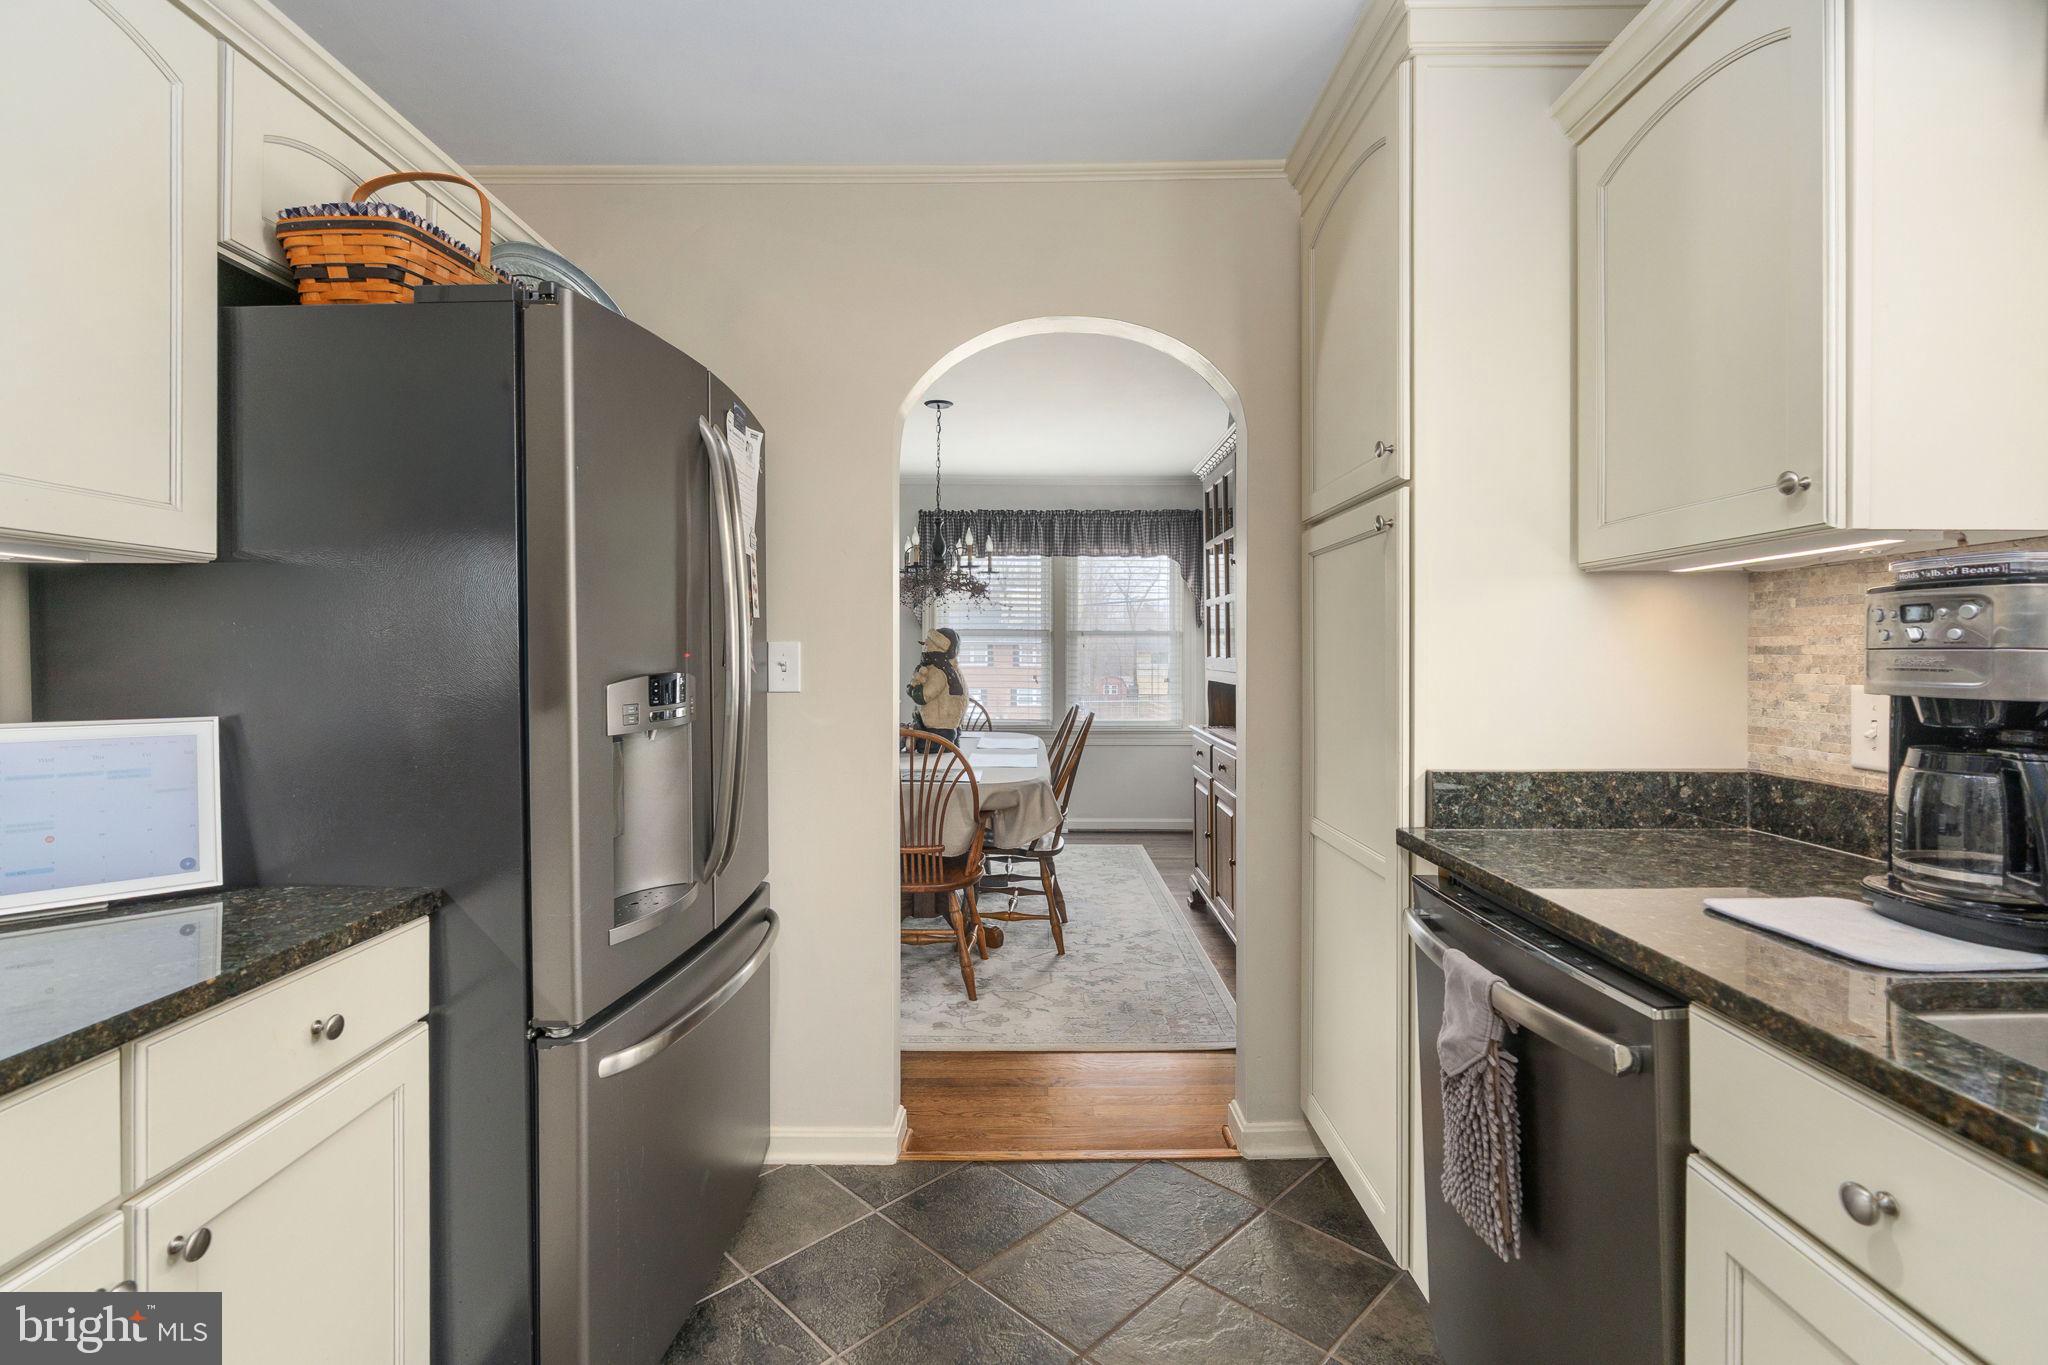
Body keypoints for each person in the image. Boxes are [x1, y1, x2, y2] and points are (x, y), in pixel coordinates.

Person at [905, 626, 968, 748]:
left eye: (927, 645)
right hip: (952, 727)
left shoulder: (938, 672)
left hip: (937, 731)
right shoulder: (954, 671)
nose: (925, 649)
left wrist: (912, 688)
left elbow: (923, 696)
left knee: (924, 750)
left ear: (938, 647)